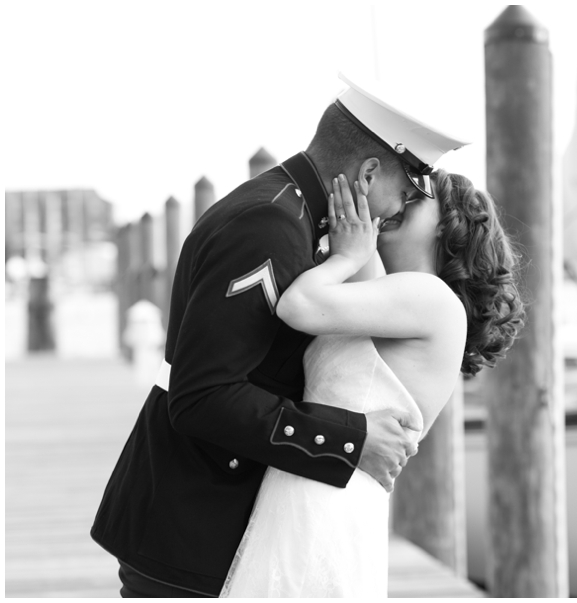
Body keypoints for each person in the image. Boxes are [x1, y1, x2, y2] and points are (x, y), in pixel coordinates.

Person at [91, 74, 469, 598]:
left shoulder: (292, 213)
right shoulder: (268, 225)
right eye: (402, 194)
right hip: (190, 522)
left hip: (208, 512)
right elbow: (203, 396)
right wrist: (351, 440)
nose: (395, 212)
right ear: (370, 171)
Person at [220, 168, 524, 597]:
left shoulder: (435, 301)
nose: (398, 202)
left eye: (415, 196)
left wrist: (345, 258)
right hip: (302, 486)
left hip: (331, 503)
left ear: (449, 224)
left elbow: (299, 305)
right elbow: (357, 228)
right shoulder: (386, 291)